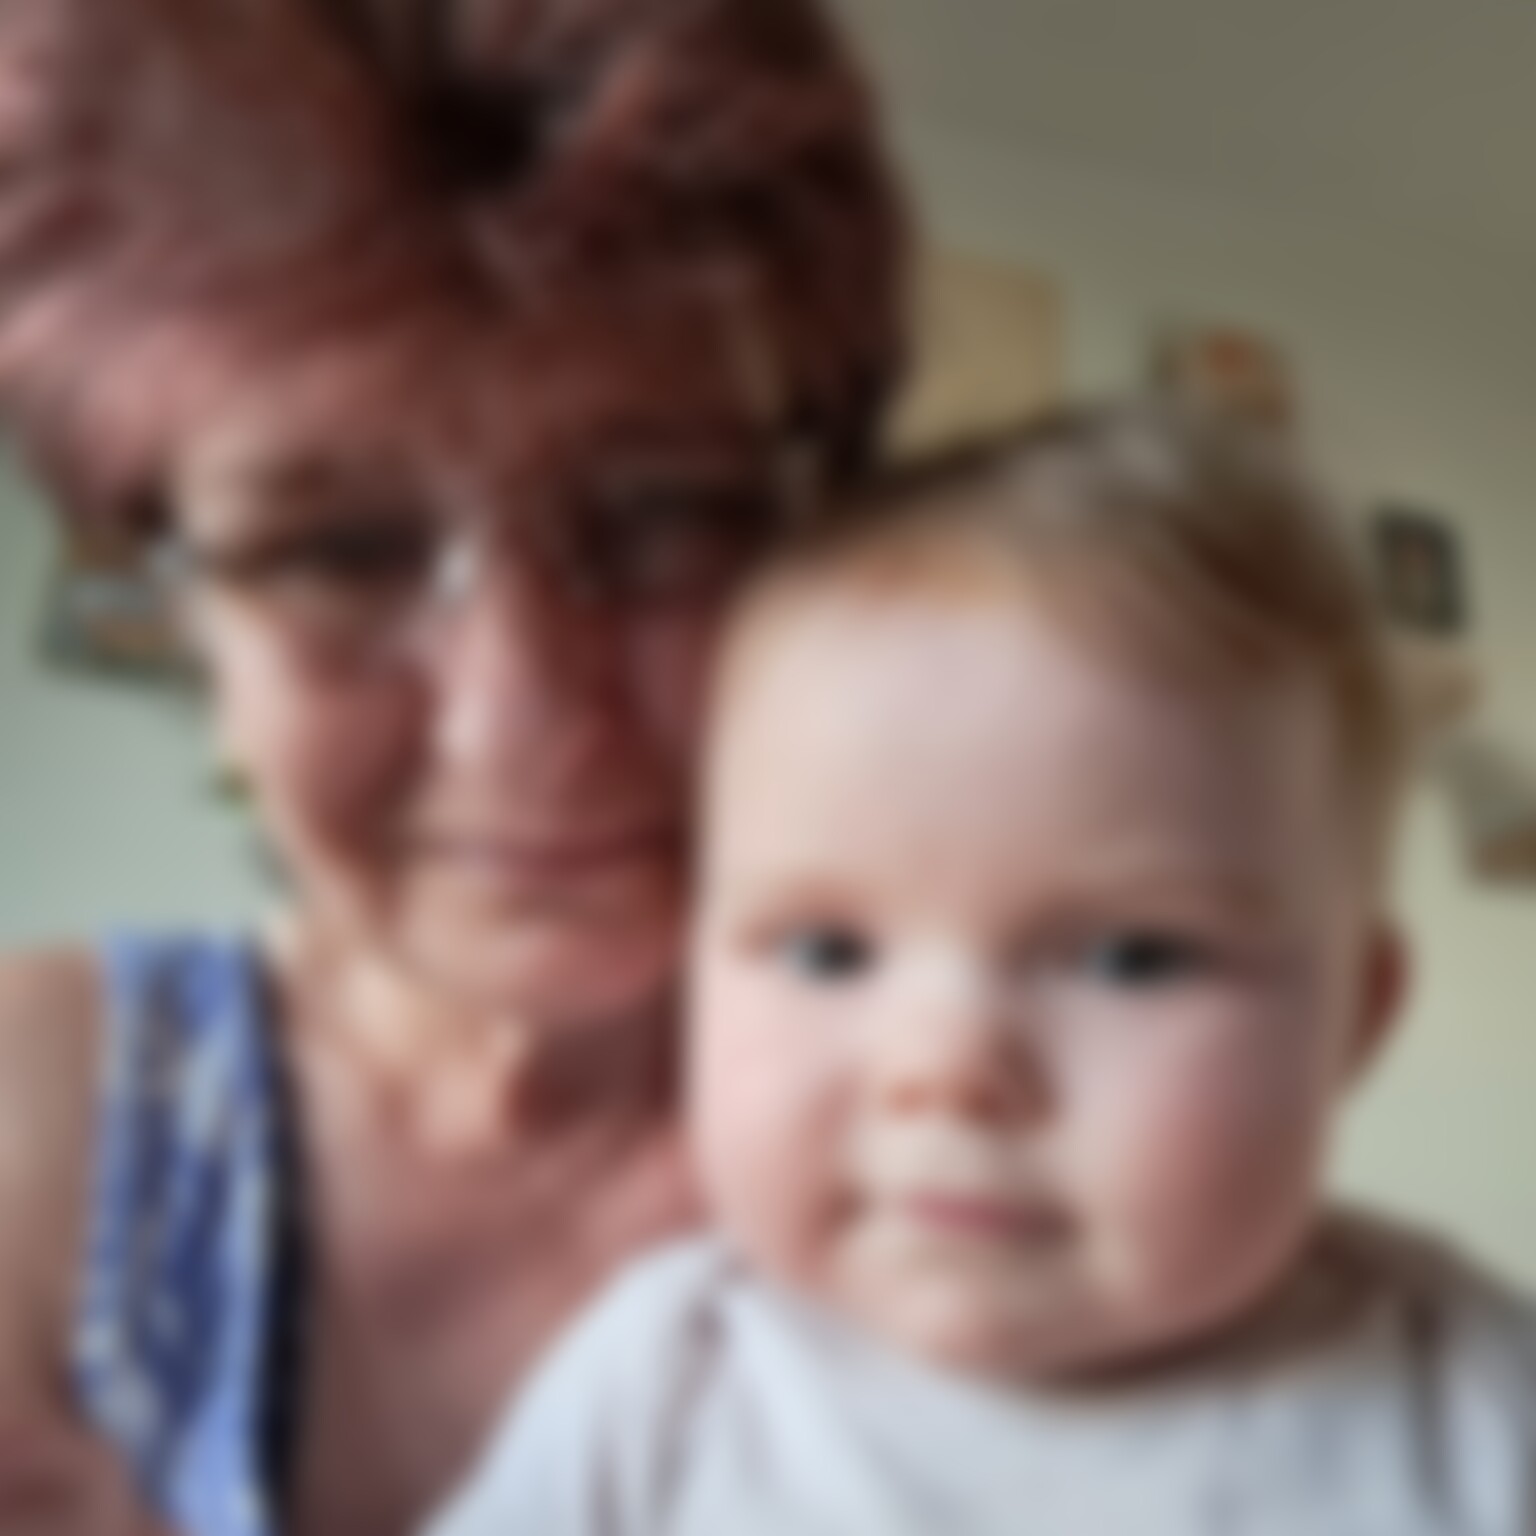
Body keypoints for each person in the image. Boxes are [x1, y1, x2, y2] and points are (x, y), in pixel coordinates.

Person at [0, 2, 906, 1533]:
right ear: (184, 614)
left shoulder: (1016, 1140)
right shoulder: (35, 1112)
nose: (522, 715)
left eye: (668, 514)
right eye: (337, 550)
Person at [426, 403, 1536, 1536]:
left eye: (1132, 958)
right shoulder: (662, 1383)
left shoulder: (1467, 1408)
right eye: (826, 950)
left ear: (1355, 1018)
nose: (946, 1067)